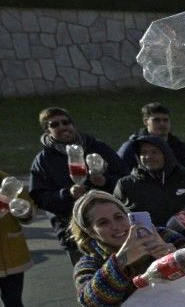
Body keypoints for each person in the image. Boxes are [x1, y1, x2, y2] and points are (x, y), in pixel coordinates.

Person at [69, 190, 185, 307]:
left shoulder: (161, 236)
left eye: (119, 217)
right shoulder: (90, 261)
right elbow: (92, 303)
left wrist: (175, 259)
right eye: (103, 223)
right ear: (91, 232)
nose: (115, 226)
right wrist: (120, 261)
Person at [28, 108, 126, 261]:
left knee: (126, 275)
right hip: (76, 235)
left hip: (114, 229)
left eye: (65, 122)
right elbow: (39, 197)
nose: (62, 127)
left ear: (73, 125)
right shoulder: (43, 160)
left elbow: (125, 178)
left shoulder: (97, 147)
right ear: (47, 131)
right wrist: (67, 194)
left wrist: (105, 181)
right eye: (54, 125)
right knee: (89, 280)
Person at [115, 134, 185, 235]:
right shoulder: (126, 185)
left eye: (154, 152)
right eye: (143, 153)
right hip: (149, 253)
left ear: (166, 154)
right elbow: (115, 220)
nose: (148, 157)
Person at [127, 103, 185, 175]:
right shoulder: (133, 147)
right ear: (145, 122)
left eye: (165, 120)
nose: (162, 123)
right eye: (156, 120)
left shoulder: (181, 148)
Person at [0, 173, 34, 307]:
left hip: (13, 258)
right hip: (12, 257)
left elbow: (29, 210)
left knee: (14, 302)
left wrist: (25, 213)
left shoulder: (9, 182)